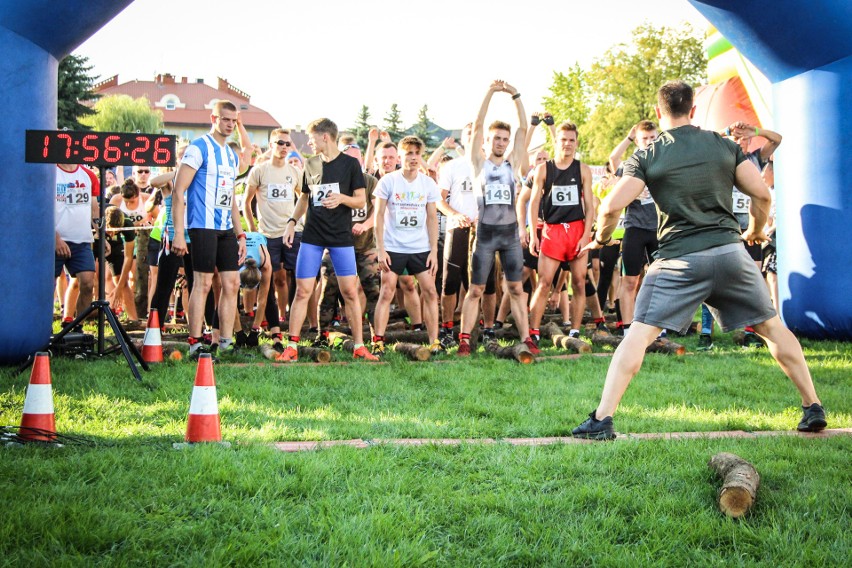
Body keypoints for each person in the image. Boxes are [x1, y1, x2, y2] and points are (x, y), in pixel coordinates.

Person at [573, 80, 826, 440]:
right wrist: (754, 229)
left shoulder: (648, 154)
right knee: (771, 326)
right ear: (693, 110)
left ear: (659, 114)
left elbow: (613, 205)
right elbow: (761, 193)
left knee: (638, 334)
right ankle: (812, 405)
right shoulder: (723, 144)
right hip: (730, 254)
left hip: (678, 260)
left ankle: (602, 419)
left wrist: (600, 237)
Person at [278, 118, 378, 361]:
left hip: (341, 239)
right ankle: (291, 346)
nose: (309, 142)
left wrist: (341, 198)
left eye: (312, 138)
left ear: (325, 137)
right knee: (303, 290)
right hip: (312, 237)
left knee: (350, 292)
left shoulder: (350, 164)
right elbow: (304, 198)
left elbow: (360, 200)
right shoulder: (310, 164)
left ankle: (358, 347)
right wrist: (292, 222)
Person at [457, 79, 538, 356]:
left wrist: (515, 95)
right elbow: (478, 124)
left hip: (510, 235)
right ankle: (465, 339)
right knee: (476, 289)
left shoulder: (513, 164)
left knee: (516, 287)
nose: (502, 143)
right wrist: (491, 92)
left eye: (505, 139)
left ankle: (527, 339)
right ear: (486, 142)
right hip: (486, 235)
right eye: (497, 139)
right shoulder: (478, 164)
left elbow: (524, 128)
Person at [171, 100, 249, 360]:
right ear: (214, 118)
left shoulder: (230, 155)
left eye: (233, 120)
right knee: (203, 283)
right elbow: (178, 189)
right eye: (225, 119)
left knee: (232, 282)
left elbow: (233, 199)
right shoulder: (199, 147)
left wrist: (240, 234)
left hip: (226, 226)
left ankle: (225, 342)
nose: (229, 124)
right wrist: (179, 232)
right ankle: (195, 342)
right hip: (201, 225)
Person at [371, 135, 441, 356]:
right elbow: (379, 216)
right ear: (400, 156)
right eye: (408, 153)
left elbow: (432, 218)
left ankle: (434, 341)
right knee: (387, 291)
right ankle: (378, 341)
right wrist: (380, 249)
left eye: (417, 154)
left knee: (430, 291)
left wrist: (434, 251)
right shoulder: (388, 181)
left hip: (420, 247)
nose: (413, 158)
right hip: (393, 246)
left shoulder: (428, 183)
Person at [527, 121, 594, 341]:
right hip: (552, 231)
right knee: (544, 282)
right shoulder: (544, 169)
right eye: (563, 139)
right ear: (556, 141)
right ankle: (534, 331)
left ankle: (574, 330)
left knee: (579, 281)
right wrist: (532, 233)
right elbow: (534, 201)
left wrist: (585, 236)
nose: (567, 144)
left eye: (571, 140)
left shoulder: (582, 169)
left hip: (576, 229)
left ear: (576, 143)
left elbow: (591, 207)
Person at [244, 128, 304, 347]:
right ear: (271, 145)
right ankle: (271, 327)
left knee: (298, 278)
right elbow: (246, 202)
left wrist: (298, 222)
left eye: (288, 144)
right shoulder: (259, 171)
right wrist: (253, 231)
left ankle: (297, 324)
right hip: (267, 234)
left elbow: (303, 198)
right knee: (268, 281)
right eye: (280, 143)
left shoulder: (294, 172)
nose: (284, 147)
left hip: (291, 233)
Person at [608, 121, 659, 335]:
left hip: (658, 228)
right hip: (635, 227)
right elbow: (612, 160)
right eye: (644, 138)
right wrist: (629, 137)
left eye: (652, 138)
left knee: (659, 280)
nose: (648, 142)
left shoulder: (663, 161)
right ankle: (627, 329)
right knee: (629, 280)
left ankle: (658, 327)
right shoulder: (631, 163)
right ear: (638, 140)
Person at [54, 163, 101, 327]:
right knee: (47, 286)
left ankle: (77, 328)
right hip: (54, 240)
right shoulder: (51, 173)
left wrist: (102, 235)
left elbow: (94, 209)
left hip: (81, 240)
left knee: (88, 283)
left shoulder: (89, 175)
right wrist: (55, 238)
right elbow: (41, 208)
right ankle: (42, 330)